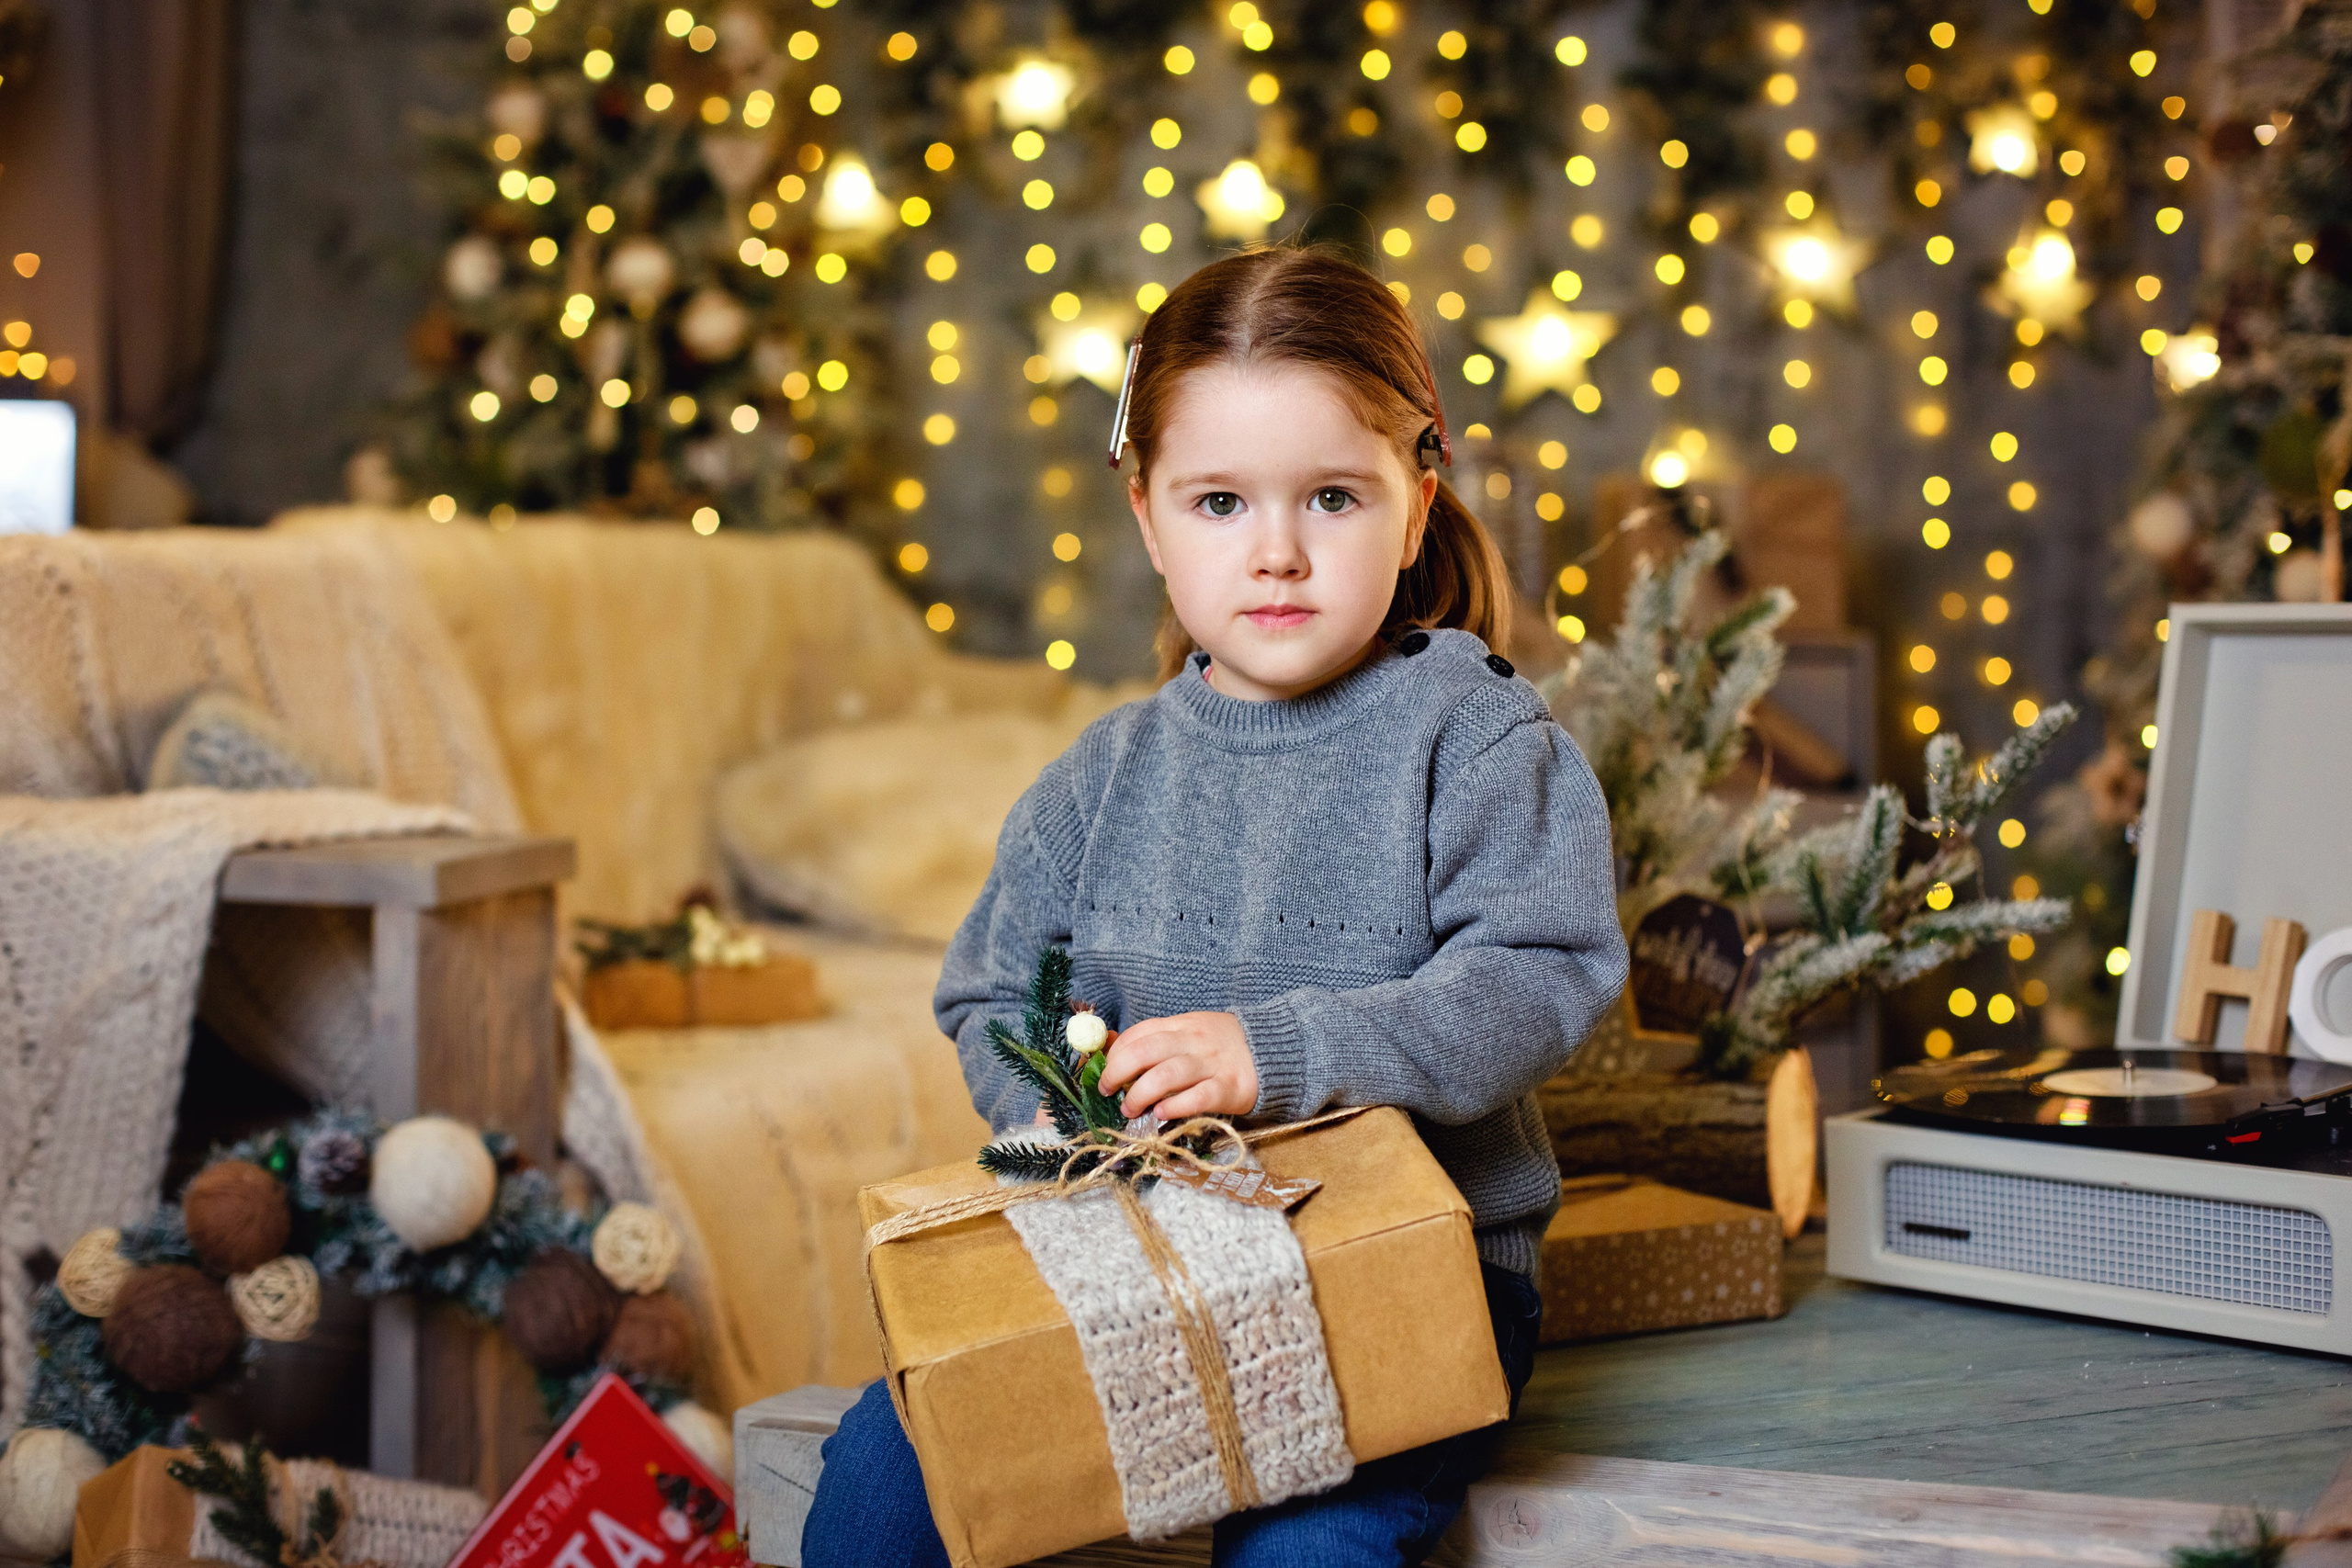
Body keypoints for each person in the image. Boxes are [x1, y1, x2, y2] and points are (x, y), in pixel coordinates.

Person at [800, 244, 1627, 1568]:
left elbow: (1538, 979)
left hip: (1402, 1277)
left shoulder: (1473, 741)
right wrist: (1052, 1104)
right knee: (878, 1491)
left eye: (1336, 500)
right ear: (1149, 517)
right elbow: (990, 992)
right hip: (1127, 1266)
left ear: (1418, 504)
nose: (1281, 552)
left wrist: (1271, 1056)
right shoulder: (1100, 782)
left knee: (1307, 1551)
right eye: (1223, 502)